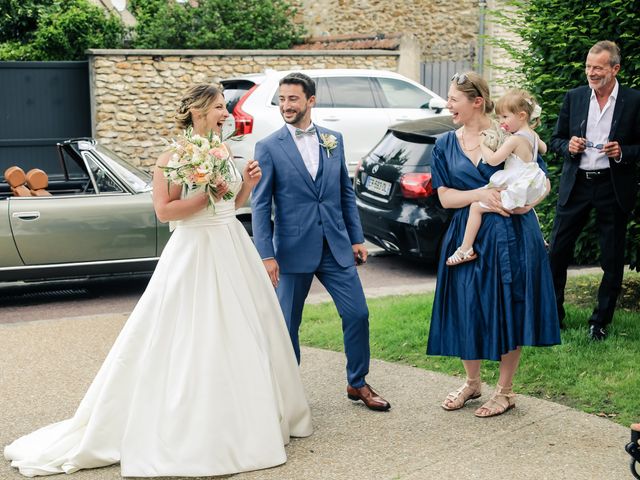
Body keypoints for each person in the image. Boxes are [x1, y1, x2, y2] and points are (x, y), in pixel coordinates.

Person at [4, 84, 313, 477]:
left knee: (245, 330)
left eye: (225, 107)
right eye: (220, 107)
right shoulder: (172, 157)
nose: (226, 113)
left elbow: (230, 206)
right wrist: (208, 195)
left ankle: (252, 415)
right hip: (194, 253)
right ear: (199, 111)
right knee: (193, 335)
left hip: (231, 247)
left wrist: (245, 185)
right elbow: (166, 212)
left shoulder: (221, 152)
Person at [251, 72, 390, 412]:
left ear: (310, 101)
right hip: (291, 251)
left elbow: (345, 192)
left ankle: (357, 383)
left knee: (357, 313)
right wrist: (266, 255)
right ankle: (287, 394)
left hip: (335, 246)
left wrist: (357, 237)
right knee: (287, 326)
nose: (286, 105)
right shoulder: (268, 147)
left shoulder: (333, 139)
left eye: (293, 99)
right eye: (282, 99)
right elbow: (259, 204)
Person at [426, 72, 561, 418]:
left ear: (477, 102)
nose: (448, 105)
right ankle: (472, 383)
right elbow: (444, 198)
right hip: (465, 235)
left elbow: (540, 178)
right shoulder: (444, 145)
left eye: (453, 99)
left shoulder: (510, 133)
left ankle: (505, 391)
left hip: (511, 234)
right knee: (466, 305)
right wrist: (481, 194)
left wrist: (530, 202)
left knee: (510, 306)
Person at [549, 40, 640, 341]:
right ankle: (554, 315)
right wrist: (569, 146)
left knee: (612, 258)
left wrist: (622, 151)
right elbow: (556, 139)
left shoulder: (634, 100)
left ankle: (599, 322)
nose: (591, 73)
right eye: (588, 67)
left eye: (598, 68)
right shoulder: (574, 97)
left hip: (611, 186)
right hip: (576, 185)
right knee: (557, 252)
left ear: (615, 69)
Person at [446, 88, 548, 266]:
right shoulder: (533, 135)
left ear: (522, 115)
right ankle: (541, 237)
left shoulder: (514, 140)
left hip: (515, 182)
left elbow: (493, 161)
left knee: (476, 207)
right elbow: (544, 149)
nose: (501, 122)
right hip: (531, 182)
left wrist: (482, 143)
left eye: (505, 117)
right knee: (528, 207)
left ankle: (465, 249)